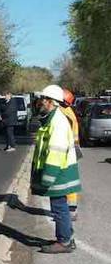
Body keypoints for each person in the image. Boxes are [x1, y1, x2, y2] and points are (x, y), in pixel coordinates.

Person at [31, 85, 82, 253]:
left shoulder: (57, 121)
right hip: (59, 172)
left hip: (58, 172)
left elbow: (56, 152)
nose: (41, 103)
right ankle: (66, 235)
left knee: (59, 207)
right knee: (60, 207)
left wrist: (48, 176)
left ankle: (64, 242)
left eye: (43, 100)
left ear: (51, 102)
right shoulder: (53, 118)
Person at [60, 88, 82, 221]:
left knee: (67, 180)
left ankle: (71, 210)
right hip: (72, 148)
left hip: (67, 150)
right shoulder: (69, 111)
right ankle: (72, 209)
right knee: (70, 179)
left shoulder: (64, 114)